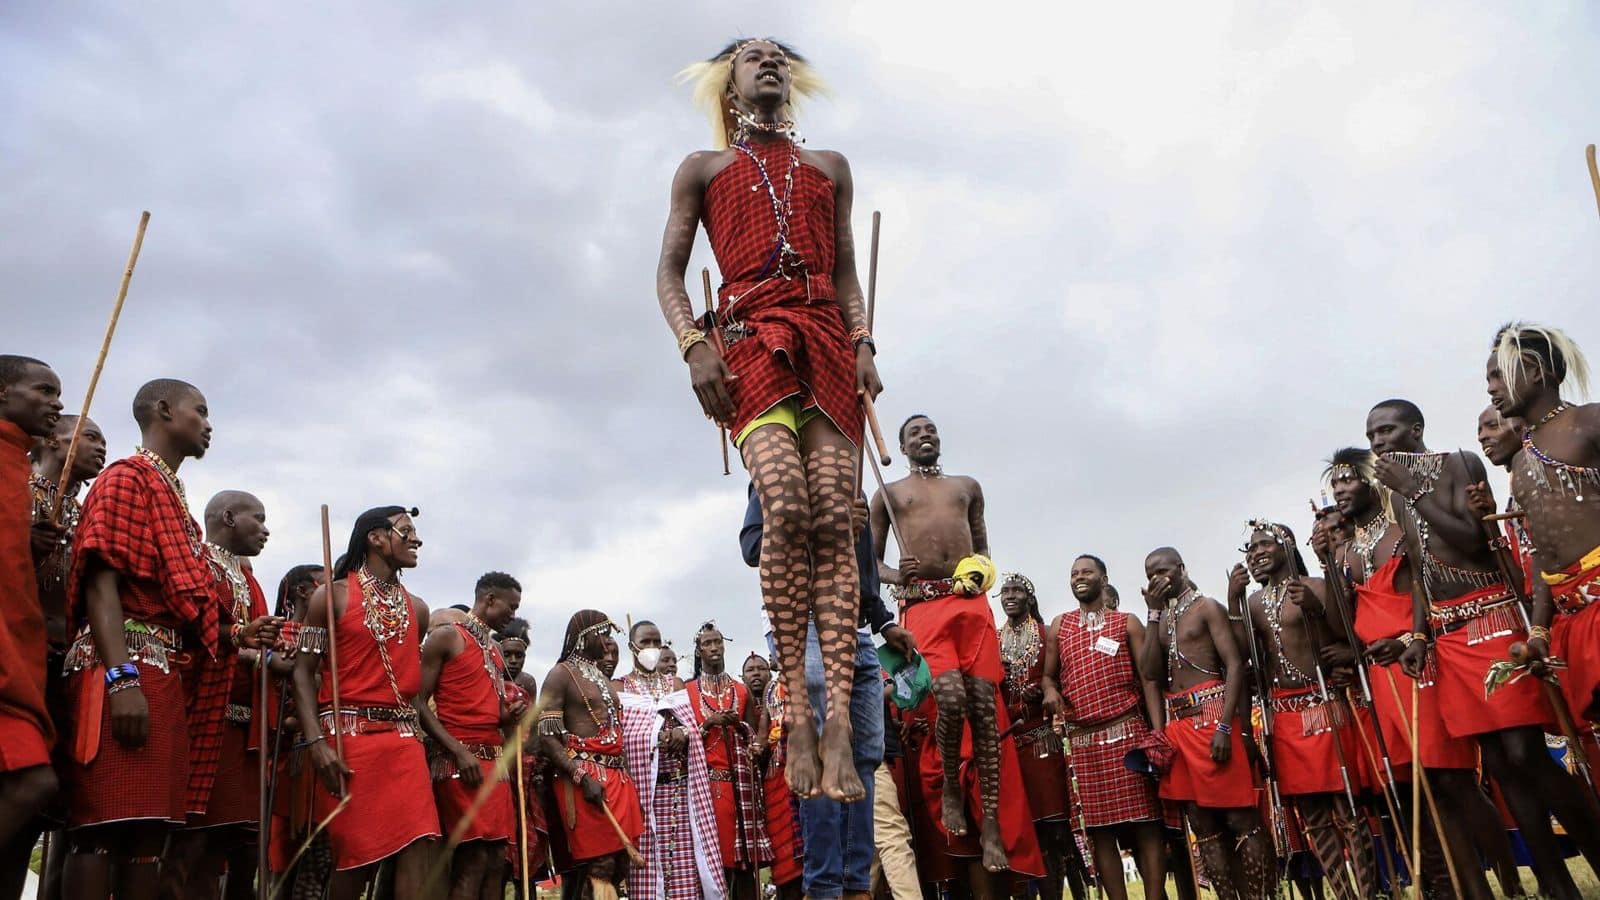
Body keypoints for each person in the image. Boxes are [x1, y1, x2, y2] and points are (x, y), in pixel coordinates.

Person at [658, 37, 884, 804]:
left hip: (826, 336)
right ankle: (794, 698)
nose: (769, 63)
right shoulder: (703, 168)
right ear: (728, 83)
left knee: (834, 517)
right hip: (750, 340)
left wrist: (863, 343)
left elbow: (848, 271)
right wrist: (695, 347)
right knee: (784, 505)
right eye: (751, 57)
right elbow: (669, 272)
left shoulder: (831, 168)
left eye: (778, 57)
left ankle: (839, 729)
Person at [1368, 393, 1600, 897]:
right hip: (1449, 638)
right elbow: (1421, 575)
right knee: (1497, 764)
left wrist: (1412, 490)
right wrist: (1418, 634)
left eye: (1386, 431)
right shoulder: (1396, 498)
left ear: (1416, 428)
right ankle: (1555, 883)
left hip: (1493, 619)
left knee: (1526, 753)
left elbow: (1472, 540)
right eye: (1371, 436)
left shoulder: (1459, 463)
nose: (1378, 443)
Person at [61, 379, 276, 900]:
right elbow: (101, 583)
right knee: (104, 825)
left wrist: (239, 634)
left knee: (150, 829)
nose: (208, 424)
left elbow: (189, 609)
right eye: (199, 411)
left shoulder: (173, 496)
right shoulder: (125, 479)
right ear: (163, 411)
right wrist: (120, 678)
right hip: (122, 665)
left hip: (165, 671)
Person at [1324, 448, 1514, 899]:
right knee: (1422, 786)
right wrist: (1331, 569)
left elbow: (1424, 590)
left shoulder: (1400, 529)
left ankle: (1509, 879)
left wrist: (1413, 638)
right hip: (1379, 675)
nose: (1341, 491)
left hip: (1415, 661)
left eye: (1349, 481)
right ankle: (1470, 889)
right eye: (1335, 486)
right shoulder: (1347, 551)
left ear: (1373, 481)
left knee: (1451, 778)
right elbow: (1342, 625)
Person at [870, 414, 1043, 880]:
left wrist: (979, 573)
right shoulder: (888, 494)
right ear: (903, 446)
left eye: (930, 430)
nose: (924, 436)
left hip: (969, 602)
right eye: (914, 433)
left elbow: (983, 549)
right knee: (949, 698)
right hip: (923, 605)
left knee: (984, 710)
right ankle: (950, 784)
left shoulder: (968, 486)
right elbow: (870, 561)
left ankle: (989, 825)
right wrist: (894, 575)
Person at [742, 479, 908, 900]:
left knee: (866, 753)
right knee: (820, 746)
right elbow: (754, 547)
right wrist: (825, 527)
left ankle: (855, 886)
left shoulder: (846, 477)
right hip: (804, 620)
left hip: (856, 626)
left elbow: (863, 563)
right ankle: (825, 887)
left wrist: (884, 621)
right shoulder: (776, 474)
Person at [291, 506, 440, 900]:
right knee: (356, 858)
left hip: (406, 742)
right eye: (405, 531)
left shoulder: (419, 610)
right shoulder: (331, 597)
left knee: (419, 844)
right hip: (349, 740)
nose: (416, 540)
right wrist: (316, 743)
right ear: (376, 537)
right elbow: (302, 672)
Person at [1232, 521, 1376, 899]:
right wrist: (1234, 601)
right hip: (1285, 713)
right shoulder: (1253, 603)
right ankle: (1343, 894)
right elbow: (1243, 656)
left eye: (1264, 544)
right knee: (1311, 814)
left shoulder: (1316, 587)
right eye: (1251, 547)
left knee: (1347, 809)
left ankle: (1367, 891)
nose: (1256, 551)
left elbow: (1348, 637)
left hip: (1324, 704)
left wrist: (1315, 610)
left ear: (1288, 545)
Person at [162, 491, 284, 900]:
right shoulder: (196, 561)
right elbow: (191, 629)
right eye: (259, 518)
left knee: (228, 842)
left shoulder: (245, 578)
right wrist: (252, 652)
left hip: (240, 724)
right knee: (189, 841)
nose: (266, 529)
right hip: (198, 713)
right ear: (229, 517)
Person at [1137, 547, 1272, 899]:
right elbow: (1150, 672)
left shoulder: (1206, 607)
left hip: (1214, 720)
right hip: (1179, 728)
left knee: (1240, 819)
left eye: (1163, 571)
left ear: (1182, 569)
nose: (1156, 579)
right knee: (1204, 825)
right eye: (1150, 574)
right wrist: (1152, 614)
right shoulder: (1161, 618)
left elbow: (1235, 665)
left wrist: (1229, 727)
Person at [1041, 556, 1166, 900]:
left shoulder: (1127, 623)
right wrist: (1051, 692)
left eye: (1087, 572)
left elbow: (1149, 681)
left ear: (1103, 578)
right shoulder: (1060, 626)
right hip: (1083, 743)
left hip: (1127, 733)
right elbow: (1048, 676)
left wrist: (1158, 733)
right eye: (1074, 573)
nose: (1080, 577)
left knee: (1146, 825)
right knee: (1099, 831)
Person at [0, 355, 66, 897]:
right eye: (43, 390)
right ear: (2, 393)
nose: (57, 403)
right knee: (31, 781)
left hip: (20, 651)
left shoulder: (15, 465)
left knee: (34, 786)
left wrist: (27, 542)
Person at [417, 571, 523, 900]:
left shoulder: (491, 648)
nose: (513, 615)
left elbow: (483, 708)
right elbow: (417, 702)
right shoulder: (447, 636)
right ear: (489, 599)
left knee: (496, 862)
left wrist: (507, 716)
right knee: (472, 860)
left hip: (494, 765)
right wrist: (458, 752)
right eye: (511, 606)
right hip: (460, 764)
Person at [537, 610, 644, 899]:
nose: (608, 643)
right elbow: (547, 737)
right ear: (586, 637)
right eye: (604, 635)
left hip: (617, 777)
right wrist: (581, 777)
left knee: (620, 863)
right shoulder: (561, 674)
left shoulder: (601, 676)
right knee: (600, 865)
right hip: (585, 777)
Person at [615, 620, 723, 900]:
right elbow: (623, 740)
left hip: (679, 795)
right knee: (649, 873)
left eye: (656, 642)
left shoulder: (673, 683)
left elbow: (691, 727)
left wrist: (684, 733)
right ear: (632, 647)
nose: (652, 648)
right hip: (644, 800)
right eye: (646, 642)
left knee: (686, 870)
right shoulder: (620, 688)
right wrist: (654, 739)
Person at [688, 623, 771, 898]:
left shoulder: (741, 690)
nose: (713, 648)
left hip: (741, 789)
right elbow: (683, 740)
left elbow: (754, 735)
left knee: (744, 863)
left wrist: (745, 734)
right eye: (707, 644)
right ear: (699, 651)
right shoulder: (688, 691)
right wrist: (710, 721)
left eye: (717, 642)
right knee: (714, 863)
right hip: (707, 788)